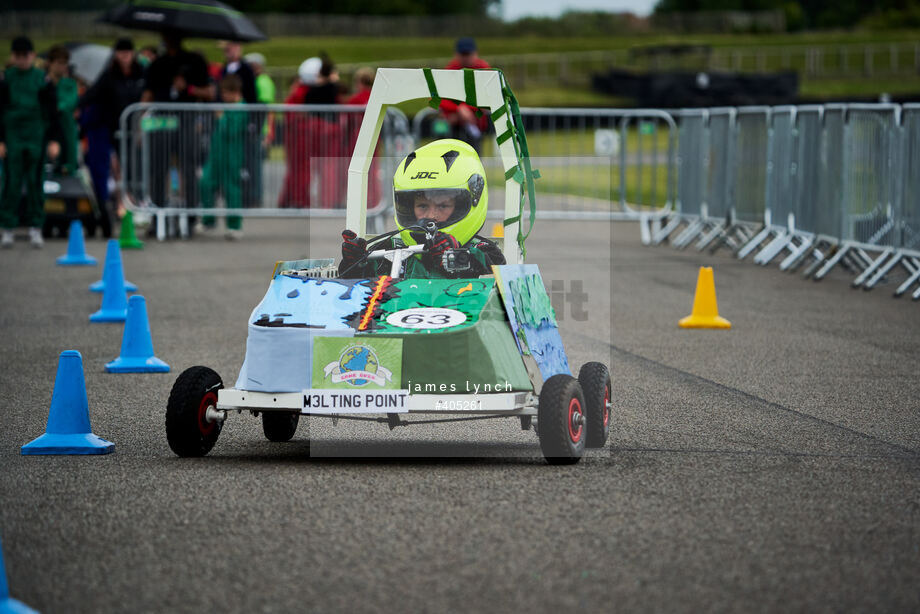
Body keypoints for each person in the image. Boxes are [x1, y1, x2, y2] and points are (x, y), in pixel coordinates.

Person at [339, 139, 504, 279]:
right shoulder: (391, 248)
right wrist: (354, 263)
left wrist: (453, 256)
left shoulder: (484, 250)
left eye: (443, 205)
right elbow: (356, 291)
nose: (431, 215)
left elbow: (497, 272)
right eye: (422, 206)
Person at [141, 31, 213, 216]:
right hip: (162, 121)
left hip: (186, 120)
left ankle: (190, 214)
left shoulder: (195, 61)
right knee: (159, 167)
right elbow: (148, 94)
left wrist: (188, 88)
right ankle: (157, 213)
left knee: (188, 167)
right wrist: (140, 123)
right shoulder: (157, 64)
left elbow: (210, 93)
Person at [0, 36, 61, 249]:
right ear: (13, 57)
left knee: (36, 185)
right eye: (18, 56)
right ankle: (7, 227)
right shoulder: (6, 79)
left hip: (36, 138)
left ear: (32, 56)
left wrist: (53, 139)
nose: (22, 60)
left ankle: (36, 227)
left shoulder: (42, 79)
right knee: (10, 184)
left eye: (25, 55)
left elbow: (53, 112)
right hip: (12, 138)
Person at [79, 38, 145, 212]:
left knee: (132, 165)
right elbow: (93, 94)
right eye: (121, 52)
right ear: (116, 55)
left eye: (128, 52)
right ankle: (119, 202)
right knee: (115, 165)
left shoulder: (141, 73)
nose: (125, 56)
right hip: (113, 127)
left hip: (134, 127)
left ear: (133, 54)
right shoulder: (109, 75)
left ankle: (132, 200)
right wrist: (77, 106)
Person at [198, 75, 247, 240]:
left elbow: (232, 131)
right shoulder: (227, 107)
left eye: (227, 93)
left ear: (236, 92)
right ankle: (208, 220)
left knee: (231, 191)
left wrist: (222, 118)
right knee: (205, 182)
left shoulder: (241, 108)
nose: (224, 97)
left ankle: (234, 226)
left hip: (231, 156)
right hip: (216, 155)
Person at [440, 37, 492, 152]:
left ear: (475, 53)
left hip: (475, 123)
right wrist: (458, 109)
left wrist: (465, 109)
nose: (466, 58)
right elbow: (438, 97)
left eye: (468, 54)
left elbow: (486, 97)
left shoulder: (484, 69)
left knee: (474, 159)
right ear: (456, 54)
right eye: (463, 54)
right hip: (453, 125)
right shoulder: (450, 69)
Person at [46, 45, 79, 176]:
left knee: (68, 166)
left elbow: (69, 103)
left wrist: (53, 107)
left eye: (65, 63)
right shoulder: (41, 81)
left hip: (66, 128)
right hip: (45, 127)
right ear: (50, 63)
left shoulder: (70, 84)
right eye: (59, 63)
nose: (62, 66)